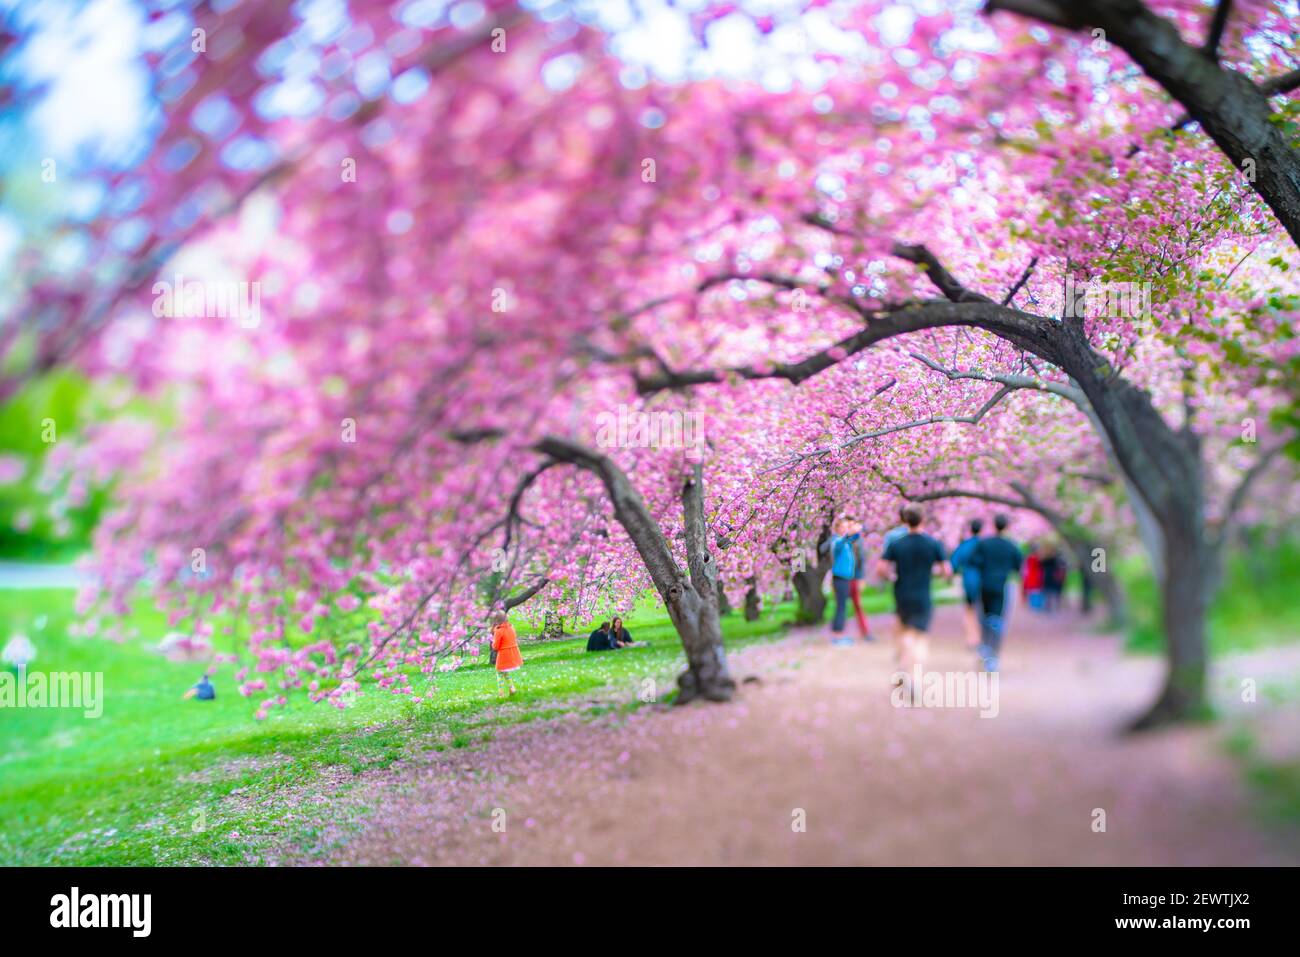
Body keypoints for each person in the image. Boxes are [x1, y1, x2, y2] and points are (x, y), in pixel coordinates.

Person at [876, 504, 951, 696]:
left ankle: (903, 668)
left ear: (905, 520)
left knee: (905, 633)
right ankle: (915, 678)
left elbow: (881, 569)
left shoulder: (897, 544)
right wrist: (936, 574)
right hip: (922, 594)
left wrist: (891, 577)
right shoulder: (933, 544)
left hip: (902, 593)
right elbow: (947, 571)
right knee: (920, 637)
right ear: (923, 520)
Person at [968, 514, 1025, 673]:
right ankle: (993, 654)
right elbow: (1018, 566)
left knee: (984, 617)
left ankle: (985, 648)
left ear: (994, 525)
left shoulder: (984, 544)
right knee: (997, 619)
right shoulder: (1010, 545)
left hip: (985, 585)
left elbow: (973, 561)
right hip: (1001, 586)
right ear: (1006, 527)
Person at [820, 516, 862, 647]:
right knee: (841, 607)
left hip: (845, 578)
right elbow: (843, 541)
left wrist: (857, 530)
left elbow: (854, 537)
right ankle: (838, 636)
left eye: (846, 527)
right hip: (840, 578)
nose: (845, 530)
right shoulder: (836, 541)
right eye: (842, 527)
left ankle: (839, 634)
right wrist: (849, 533)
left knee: (842, 606)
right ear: (837, 529)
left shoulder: (845, 541)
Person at [949, 518, 984, 649]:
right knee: (982, 609)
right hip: (982, 580)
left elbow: (954, 564)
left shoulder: (964, 545)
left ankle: (971, 639)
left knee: (969, 610)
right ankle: (980, 638)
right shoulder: (984, 545)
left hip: (968, 580)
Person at [848, 530, 873, 642]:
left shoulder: (858, 541)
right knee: (841, 606)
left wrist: (861, 578)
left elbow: (861, 561)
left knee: (858, 605)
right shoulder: (840, 540)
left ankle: (865, 631)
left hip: (855, 577)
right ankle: (842, 634)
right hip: (843, 577)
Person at [491, 612, 523, 696]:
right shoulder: (511, 627)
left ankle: (501, 692)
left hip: (504, 655)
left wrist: (493, 641)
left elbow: (495, 646)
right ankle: (512, 688)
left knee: (499, 672)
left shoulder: (499, 631)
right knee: (504, 672)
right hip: (513, 653)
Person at [1040, 544, 1066, 613]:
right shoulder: (1050, 559)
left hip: (1052, 578)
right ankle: (1049, 606)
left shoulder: (1055, 559)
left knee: (1051, 593)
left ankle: (1051, 606)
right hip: (1049, 578)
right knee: (1049, 593)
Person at [1022, 544, 1044, 611]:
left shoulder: (1029, 558)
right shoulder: (1037, 558)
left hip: (1031, 575)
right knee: (1035, 590)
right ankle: (1035, 605)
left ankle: (1034, 604)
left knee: (1032, 590)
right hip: (1035, 575)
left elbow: (1025, 568)